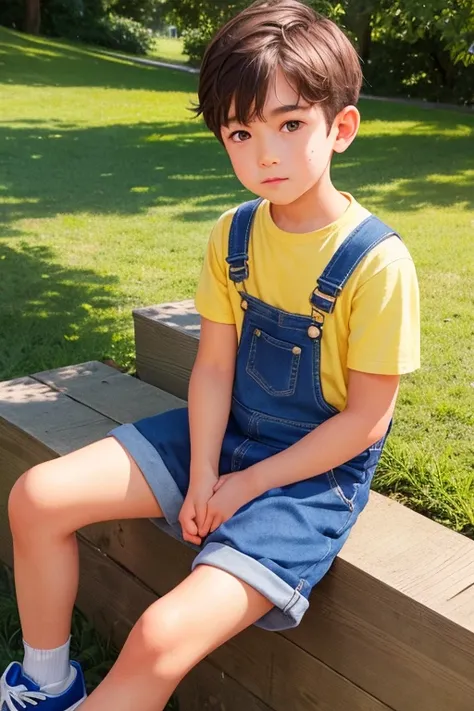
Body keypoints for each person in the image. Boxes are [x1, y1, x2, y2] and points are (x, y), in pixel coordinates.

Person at [0, 0, 420, 709]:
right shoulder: (233, 233)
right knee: (37, 496)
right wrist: (201, 474)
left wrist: (247, 485)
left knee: (161, 634)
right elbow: (216, 367)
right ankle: (43, 686)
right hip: (222, 433)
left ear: (340, 127)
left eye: (290, 124)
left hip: (312, 476)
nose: (265, 154)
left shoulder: (377, 262)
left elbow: (365, 423)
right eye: (240, 131)